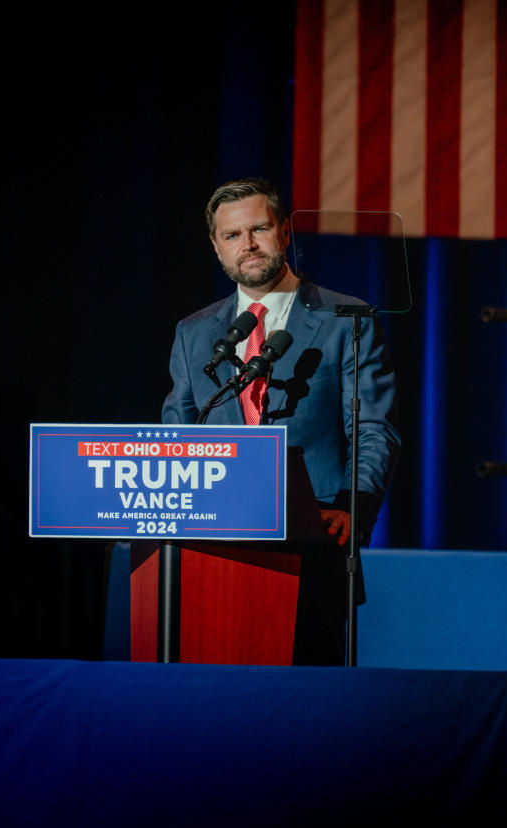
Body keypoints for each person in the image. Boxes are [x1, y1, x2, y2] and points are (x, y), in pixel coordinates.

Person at [162, 177, 400, 664]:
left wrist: (353, 507)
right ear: (215, 246)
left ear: (285, 232)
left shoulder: (346, 319)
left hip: (313, 554)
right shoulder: (194, 333)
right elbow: (177, 434)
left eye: (259, 229)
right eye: (232, 236)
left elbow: (375, 428)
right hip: (214, 555)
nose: (247, 245)